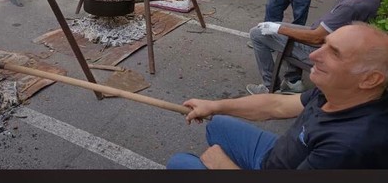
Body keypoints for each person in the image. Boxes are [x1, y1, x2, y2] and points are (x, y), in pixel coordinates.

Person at [166, 23, 388, 169]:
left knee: (180, 163)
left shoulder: (349, 145)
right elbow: (277, 104)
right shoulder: (338, 90)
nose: (313, 55)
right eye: (324, 44)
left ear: (370, 79)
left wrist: (222, 166)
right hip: (275, 155)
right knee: (217, 123)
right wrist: (214, 106)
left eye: (335, 53)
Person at [246, 0, 382, 95]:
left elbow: (316, 37)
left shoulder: (354, 6)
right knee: (278, 29)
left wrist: (278, 29)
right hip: (319, 34)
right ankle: (293, 82)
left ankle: (269, 87)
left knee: (257, 34)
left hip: (320, 48)